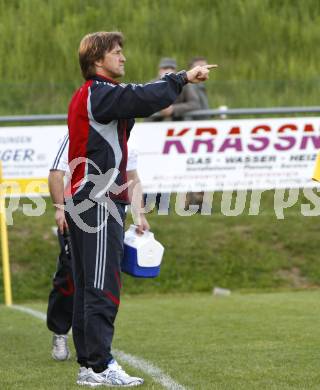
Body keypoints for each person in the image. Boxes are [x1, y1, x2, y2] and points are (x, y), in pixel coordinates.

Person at [65, 31, 216, 387]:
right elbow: (143, 96)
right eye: (117, 52)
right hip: (97, 200)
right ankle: (100, 366)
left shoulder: (95, 95)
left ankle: (90, 365)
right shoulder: (99, 93)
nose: (124, 58)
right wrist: (182, 77)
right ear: (98, 59)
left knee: (90, 286)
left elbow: (137, 95)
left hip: (88, 199)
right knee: (103, 286)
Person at [47, 135, 148, 362]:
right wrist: (59, 209)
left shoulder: (127, 139)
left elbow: (132, 178)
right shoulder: (78, 132)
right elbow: (56, 174)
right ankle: (60, 330)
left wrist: (139, 214)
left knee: (102, 281)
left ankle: (94, 346)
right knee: (71, 275)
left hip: (110, 214)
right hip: (78, 212)